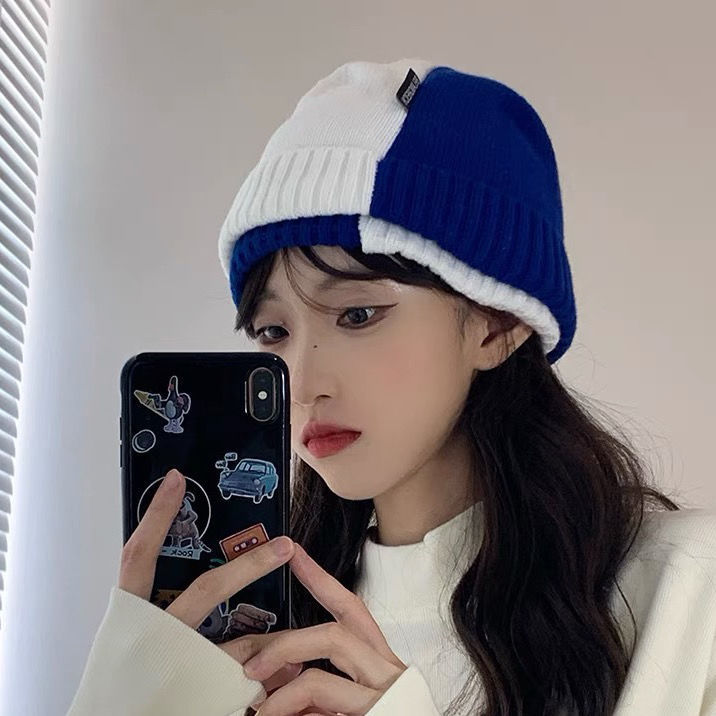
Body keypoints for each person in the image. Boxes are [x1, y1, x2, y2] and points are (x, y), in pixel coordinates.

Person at [67, 58, 716, 716]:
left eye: (357, 315)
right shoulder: (259, 629)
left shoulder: (689, 591)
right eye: (272, 332)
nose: (302, 384)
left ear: (498, 324)